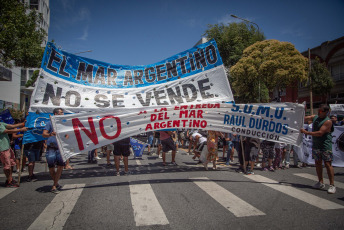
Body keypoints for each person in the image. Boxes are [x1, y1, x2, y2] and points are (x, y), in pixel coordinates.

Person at [300, 104, 336, 194]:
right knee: (318, 163)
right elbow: (306, 118)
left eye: (320, 111)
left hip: (325, 146)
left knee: (328, 164)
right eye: (318, 111)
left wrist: (306, 132)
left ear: (326, 112)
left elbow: (320, 133)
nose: (318, 113)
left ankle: (332, 185)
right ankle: (320, 182)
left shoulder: (328, 121)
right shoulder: (316, 117)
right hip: (316, 146)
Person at [42, 108, 65, 194]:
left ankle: (54, 185)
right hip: (51, 147)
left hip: (61, 148)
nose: (63, 114)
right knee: (51, 167)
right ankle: (56, 182)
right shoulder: (49, 123)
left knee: (60, 166)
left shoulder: (64, 124)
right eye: (61, 113)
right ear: (56, 114)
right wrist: (50, 134)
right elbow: (44, 134)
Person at [0, 120, 27, 187]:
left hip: (7, 147)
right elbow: (7, 131)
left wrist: (22, 123)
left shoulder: (1, 123)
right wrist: (20, 129)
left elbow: (11, 126)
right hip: (2, 148)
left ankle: (10, 179)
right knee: (7, 167)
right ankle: (9, 181)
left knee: (12, 164)